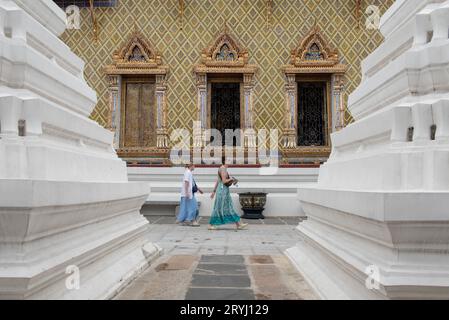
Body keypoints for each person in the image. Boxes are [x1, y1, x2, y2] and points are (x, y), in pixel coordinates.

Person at [209, 161, 248, 231]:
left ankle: (238, 224)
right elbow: (224, 181)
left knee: (228, 207)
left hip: (222, 190)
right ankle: (211, 224)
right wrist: (232, 179)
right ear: (225, 162)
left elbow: (218, 181)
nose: (230, 163)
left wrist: (214, 191)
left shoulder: (221, 168)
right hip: (222, 191)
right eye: (229, 161)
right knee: (220, 207)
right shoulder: (223, 168)